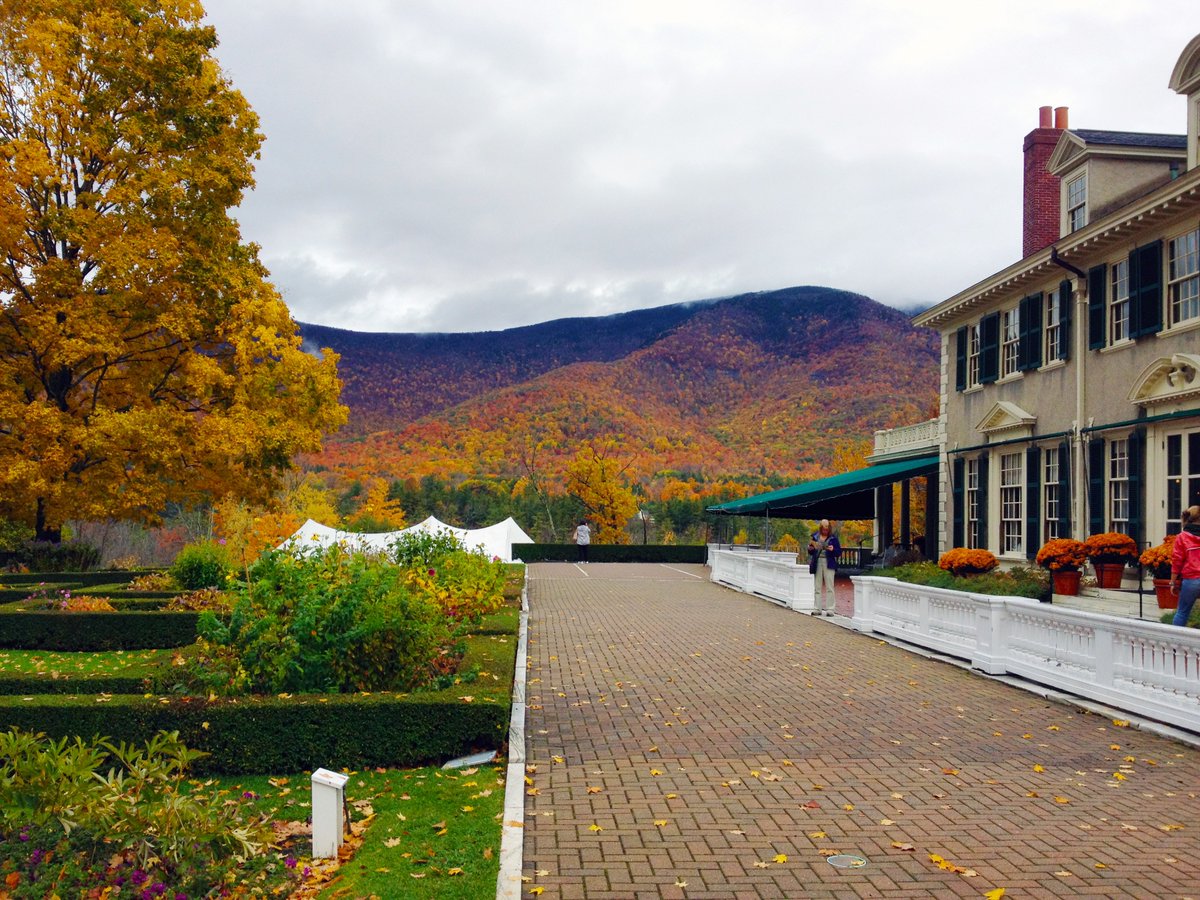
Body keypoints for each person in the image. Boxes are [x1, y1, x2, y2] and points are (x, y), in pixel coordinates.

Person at [1170, 505, 1200, 627]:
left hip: (1191, 580)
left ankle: (1174, 642)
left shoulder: (1182, 537)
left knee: (1182, 612)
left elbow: (1177, 561)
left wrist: (1172, 582)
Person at [808, 519, 841, 616]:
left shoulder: (833, 538)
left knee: (829, 586)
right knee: (817, 586)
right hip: (818, 561)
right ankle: (817, 608)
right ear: (821, 528)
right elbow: (811, 551)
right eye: (823, 529)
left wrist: (833, 549)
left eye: (827, 529)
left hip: (829, 562)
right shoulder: (815, 537)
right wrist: (810, 549)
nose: (825, 531)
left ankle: (830, 609)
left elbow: (839, 552)